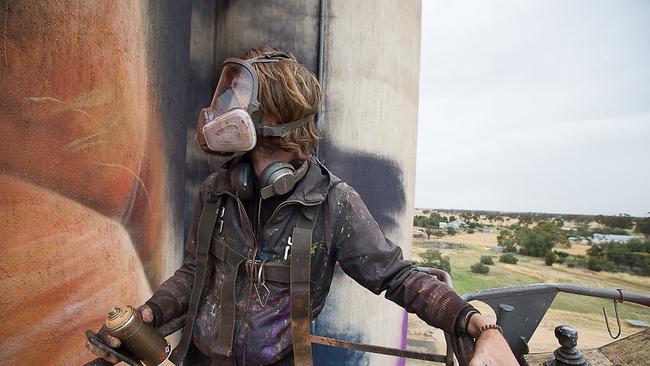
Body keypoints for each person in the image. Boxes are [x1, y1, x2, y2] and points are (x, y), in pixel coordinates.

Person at [87, 47, 518, 366]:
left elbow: (398, 277)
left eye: (235, 95)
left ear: (272, 112)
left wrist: (478, 325)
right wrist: (152, 312)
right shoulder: (219, 189)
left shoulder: (334, 202)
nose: (222, 106)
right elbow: (196, 274)